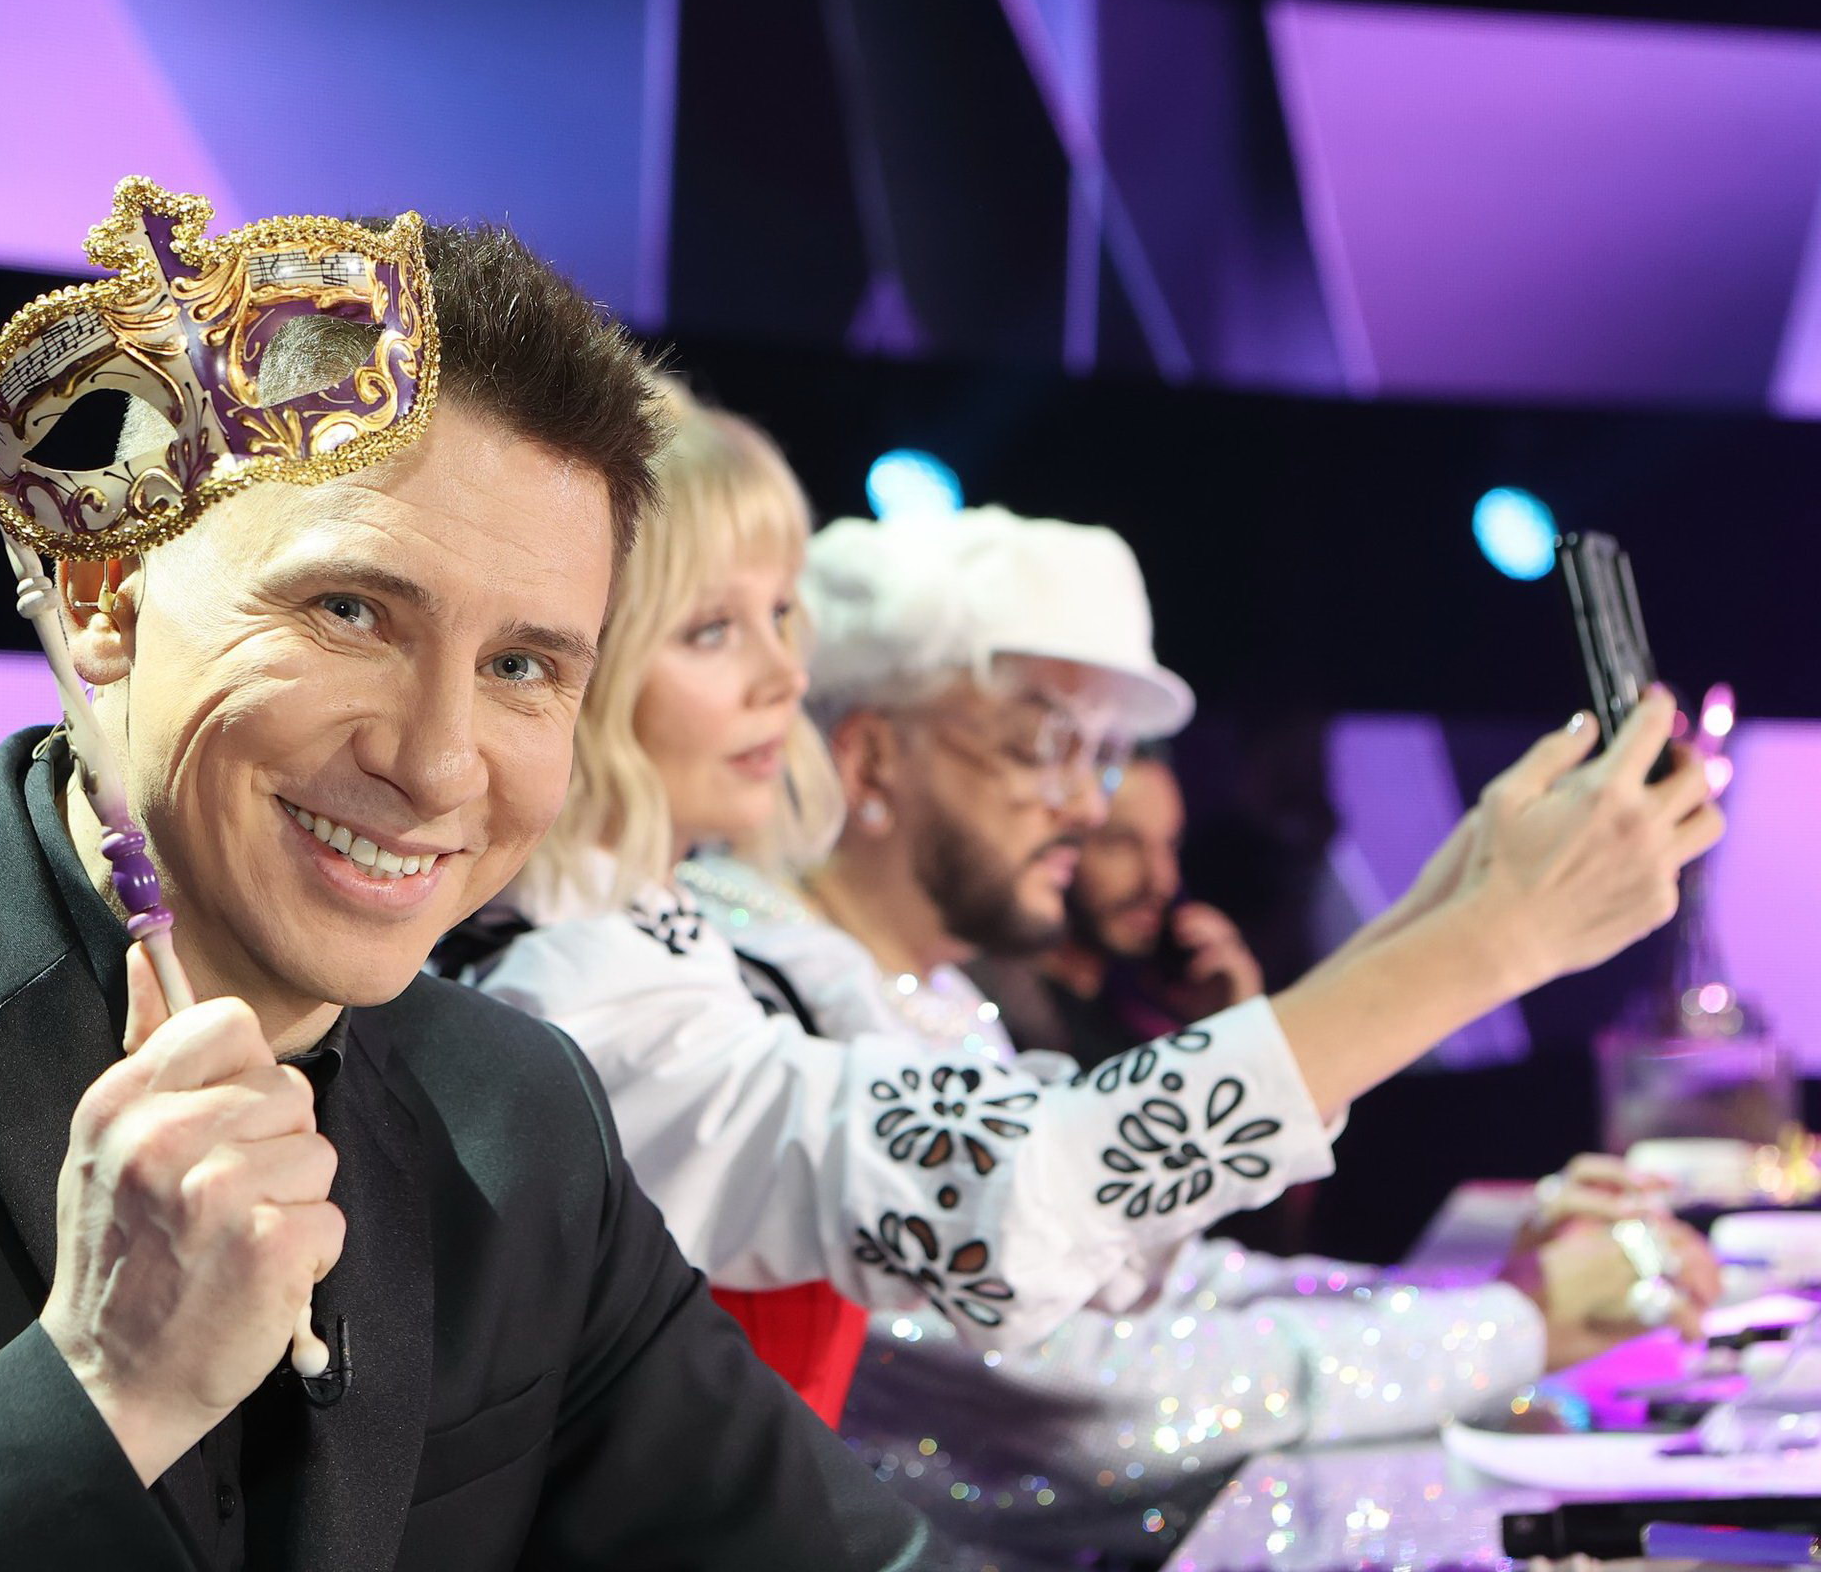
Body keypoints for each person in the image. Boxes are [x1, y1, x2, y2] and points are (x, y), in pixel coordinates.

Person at [0, 184, 935, 1570]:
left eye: (524, 666)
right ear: (103, 595)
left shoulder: (515, 1115)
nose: (437, 762)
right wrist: (105, 1387)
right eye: (350, 611)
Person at [455, 391, 1723, 1451]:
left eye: (784, 617)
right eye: (1043, 741)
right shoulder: (598, 985)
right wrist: (1492, 940)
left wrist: (1471, 901)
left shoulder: (706, 952)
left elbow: (1132, 1271)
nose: (788, 674)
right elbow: (1035, 1277)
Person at [679, 503, 1717, 1563]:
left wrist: (1486, 1302)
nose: (1087, 805)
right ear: (868, 760)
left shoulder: (908, 989)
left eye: (1103, 754)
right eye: (1043, 744)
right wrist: (1512, 1324)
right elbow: (1084, 1403)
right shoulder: (749, 989)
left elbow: (1157, 1284)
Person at [975, 751, 1261, 1068]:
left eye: (1171, 844)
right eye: (1122, 843)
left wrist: (1225, 1029)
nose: (1162, 881)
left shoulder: (1141, 1028)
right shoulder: (982, 1011)